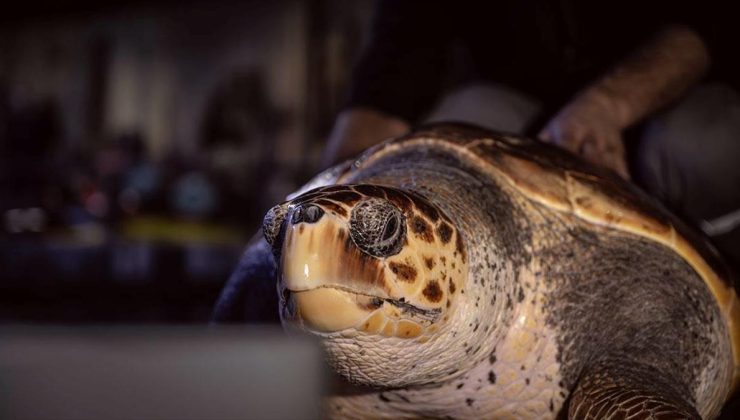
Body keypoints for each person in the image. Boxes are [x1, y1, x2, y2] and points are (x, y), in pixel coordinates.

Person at [322, 0, 740, 270]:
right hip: (533, 122)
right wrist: (332, 195)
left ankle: (720, 275)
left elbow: (708, 21)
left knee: (702, 143)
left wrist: (608, 104)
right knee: (457, 128)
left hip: (662, 100)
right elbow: (394, 64)